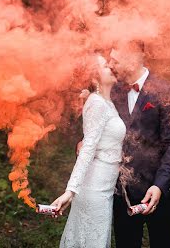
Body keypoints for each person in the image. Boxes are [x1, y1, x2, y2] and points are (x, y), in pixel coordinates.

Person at [109, 40, 170, 248]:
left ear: (133, 59)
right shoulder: (114, 91)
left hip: (161, 191)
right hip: (123, 193)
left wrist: (159, 186)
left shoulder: (165, 90)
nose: (111, 65)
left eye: (115, 60)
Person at [51, 54, 126, 248]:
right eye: (105, 65)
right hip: (94, 189)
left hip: (105, 188)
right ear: (94, 77)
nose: (111, 66)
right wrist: (70, 191)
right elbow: (88, 149)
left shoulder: (106, 102)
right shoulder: (97, 103)